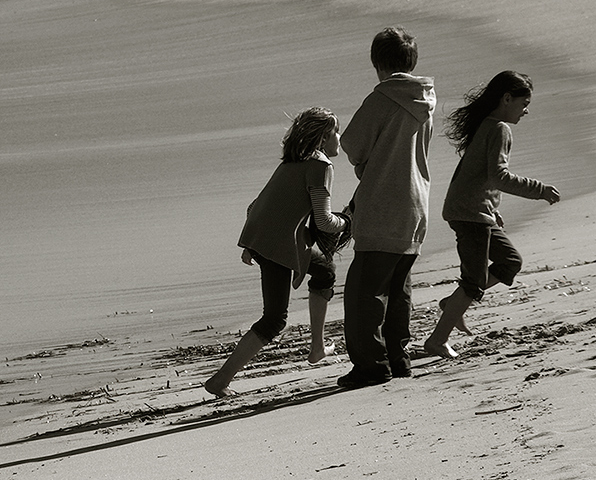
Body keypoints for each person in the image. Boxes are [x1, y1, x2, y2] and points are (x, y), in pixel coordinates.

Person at [204, 107, 351, 398]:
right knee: (274, 320)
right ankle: (220, 380)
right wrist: (348, 223)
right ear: (323, 138)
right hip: (278, 246)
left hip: (266, 240)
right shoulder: (321, 167)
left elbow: (256, 205)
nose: (339, 137)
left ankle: (317, 346)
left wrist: (250, 243)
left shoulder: (290, 164)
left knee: (324, 271)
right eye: (336, 131)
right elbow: (323, 221)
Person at [424, 70, 560, 358]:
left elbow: (476, 175)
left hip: (475, 211)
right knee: (472, 283)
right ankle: (437, 340)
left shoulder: (487, 125)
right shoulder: (498, 128)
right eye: (524, 104)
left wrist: (492, 209)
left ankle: (453, 303)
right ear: (507, 98)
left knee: (510, 261)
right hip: (470, 214)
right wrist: (540, 190)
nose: (526, 111)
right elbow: (498, 176)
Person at [338, 26, 435, 389]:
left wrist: (368, 164)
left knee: (365, 291)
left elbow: (352, 143)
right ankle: (398, 356)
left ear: (377, 62)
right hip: (416, 200)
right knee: (398, 287)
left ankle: (371, 364)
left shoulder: (381, 98)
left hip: (384, 201)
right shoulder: (426, 97)